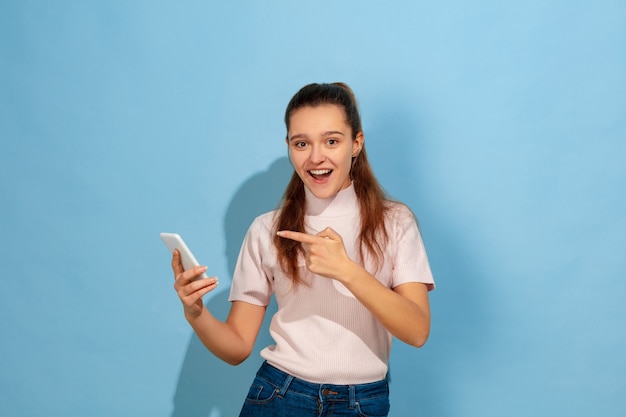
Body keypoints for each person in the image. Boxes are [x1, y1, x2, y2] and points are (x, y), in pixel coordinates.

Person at [171, 82, 435, 417]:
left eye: (332, 141)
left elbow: (417, 330)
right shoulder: (267, 229)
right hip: (278, 395)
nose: (315, 157)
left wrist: (347, 270)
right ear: (289, 147)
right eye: (302, 143)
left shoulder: (395, 222)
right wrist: (196, 314)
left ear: (356, 143)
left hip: (361, 402)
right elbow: (237, 346)